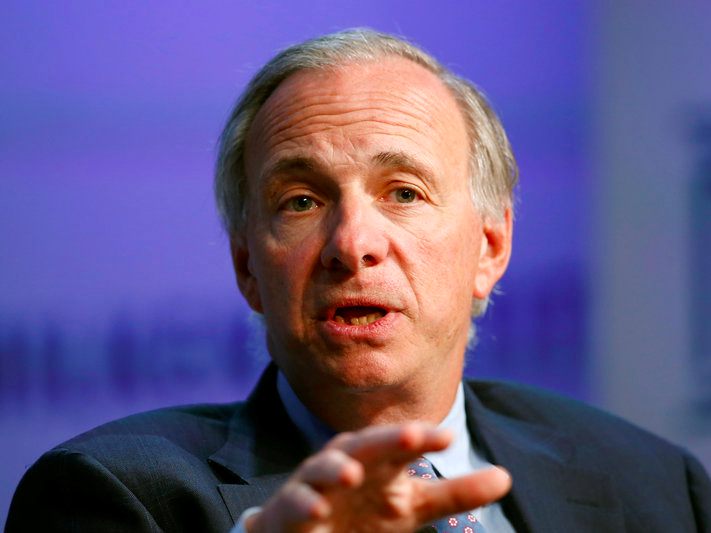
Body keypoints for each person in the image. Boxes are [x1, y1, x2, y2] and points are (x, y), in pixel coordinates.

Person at [6, 29, 711, 533]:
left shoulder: (653, 485)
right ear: (248, 266)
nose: (352, 244)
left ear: (490, 246)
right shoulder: (113, 493)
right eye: (301, 201)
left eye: (402, 192)